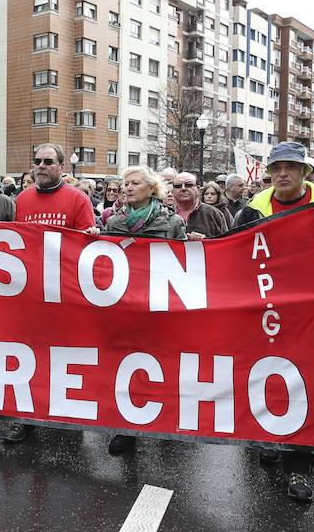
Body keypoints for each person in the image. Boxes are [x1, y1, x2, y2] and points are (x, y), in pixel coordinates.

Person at [233, 141, 314, 502]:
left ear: (305, 171)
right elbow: (230, 253)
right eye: (276, 168)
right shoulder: (253, 209)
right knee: (265, 376)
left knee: (305, 384)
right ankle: (270, 438)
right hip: (264, 311)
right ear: (269, 173)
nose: (283, 174)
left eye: (290, 167)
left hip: (312, 316)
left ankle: (299, 465)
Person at [3, 144, 96, 444]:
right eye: (38, 161)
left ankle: (66, 415)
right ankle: (24, 417)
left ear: (60, 166)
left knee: (62, 358)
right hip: (28, 296)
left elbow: (87, 246)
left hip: (64, 297)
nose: (41, 166)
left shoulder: (77, 199)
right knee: (27, 357)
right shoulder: (22, 199)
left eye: (48, 162)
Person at [97, 166, 187, 455]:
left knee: (162, 364)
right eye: (125, 183)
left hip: (158, 305)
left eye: (135, 183)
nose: (127, 187)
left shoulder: (171, 222)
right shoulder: (114, 220)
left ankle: (166, 422)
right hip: (124, 305)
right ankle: (128, 430)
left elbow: (184, 263)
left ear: (151, 189)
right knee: (126, 364)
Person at [172, 172, 228, 240]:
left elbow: (226, 244)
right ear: (173, 190)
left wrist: (204, 241)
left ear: (198, 189)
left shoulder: (214, 214)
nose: (183, 188)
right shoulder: (164, 215)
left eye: (188, 185)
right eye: (178, 186)